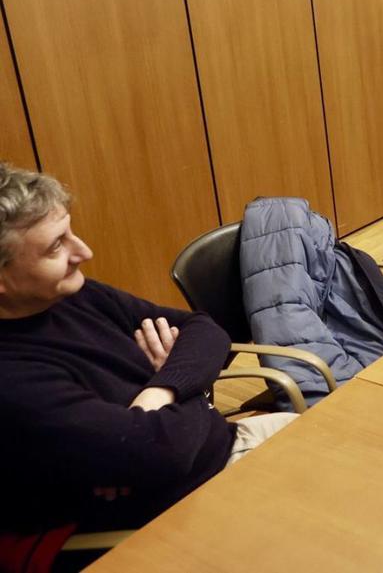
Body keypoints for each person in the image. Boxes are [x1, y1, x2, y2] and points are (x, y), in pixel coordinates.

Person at [0, 164, 296, 539]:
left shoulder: (72, 295)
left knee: (366, 457)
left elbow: (204, 330)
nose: (84, 252)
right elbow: (161, 454)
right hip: (176, 510)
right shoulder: (13, 382)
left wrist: (160, 390)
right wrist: (191, 387)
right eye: (57, 245)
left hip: (224, 443)